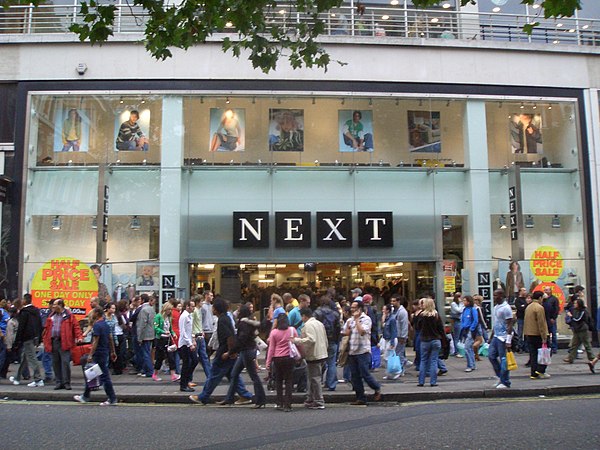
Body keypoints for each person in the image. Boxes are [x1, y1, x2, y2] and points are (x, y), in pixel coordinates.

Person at [190, 298, 253, 405]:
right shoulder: (225, 318)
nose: (212, 309)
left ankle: (203, 397)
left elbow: (229, 337)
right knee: (233, 375)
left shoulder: (223, 320)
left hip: (224, 353)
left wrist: (229, 352)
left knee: (214, 375)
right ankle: (245, 395)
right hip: (228, 352)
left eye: (213, 307)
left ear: (216, 309)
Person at [222, 304, 266, 408]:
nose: (237, 312)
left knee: (254, 376)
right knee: (234, 373)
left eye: (239, 311)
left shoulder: (243, 324)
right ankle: (229, 398)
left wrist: (230, 352)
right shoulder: (249, 322)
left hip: (247, 352)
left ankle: (261, 400)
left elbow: (241, 339)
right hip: (246, 351)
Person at [74, 306, 117, 405]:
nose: (91, 315)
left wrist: (90, 355)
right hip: (105, 352)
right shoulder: (105, 325)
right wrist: (113, 352)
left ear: (97, 314)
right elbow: (110, 338)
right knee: (91, 374)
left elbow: (95, 342)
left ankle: (112, 398)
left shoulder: (97, 325)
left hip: (98, 353)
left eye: (92, 313)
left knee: (103, 376)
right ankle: (85, 396)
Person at [343, 300, 382, 406]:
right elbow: (345, 333)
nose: (352, 310)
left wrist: (356, 320)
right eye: (351, 308)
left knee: (365, 373)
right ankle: (360, 398)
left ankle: (376, 387)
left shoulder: (366, 319)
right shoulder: (350, 320)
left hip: (363, 351)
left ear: (360, 309)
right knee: (354, 376)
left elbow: (362, 332)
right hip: (352, 351)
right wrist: (347, 324)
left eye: (354, 308)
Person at [42, 298, 82, 390]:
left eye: (55, 305)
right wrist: (45, 339)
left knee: (65, 363)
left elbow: (76, 327)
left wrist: (79, 337)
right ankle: (59, 382)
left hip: (65, 342)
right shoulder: (51, 315)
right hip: (54, 341)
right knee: (55, 363)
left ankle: (66, 382)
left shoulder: (69, 316)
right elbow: (47, 328)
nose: (53, 306)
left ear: (60, 306)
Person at [292, 308, 328, 410]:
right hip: (321, 353)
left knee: (315, 379)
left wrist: (297, 340)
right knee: (313, 378)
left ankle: (319, 401)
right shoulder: (319, 323)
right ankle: (311, 399)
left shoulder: (308, 325)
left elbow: (311, 339)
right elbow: (325, 339)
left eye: (301, 316)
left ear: (304, 316)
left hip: (314, 354)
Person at [10, 294, 45, 387]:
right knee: (24, 358)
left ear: (25, 300)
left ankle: (38, 379)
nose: (21, 301)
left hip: (27, 338)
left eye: (22, 299)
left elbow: (21, 327)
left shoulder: (24, 312)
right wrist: (39, 338)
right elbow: (40, 325)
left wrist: (17, 341)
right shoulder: (36, 311)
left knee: (32, 358)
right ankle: (17, 377)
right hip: (34, 338)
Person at [265, 314, 297, 412]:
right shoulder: (292, 330)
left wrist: (268, 362)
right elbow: (297, 343)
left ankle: (279, 402)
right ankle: (288, 404)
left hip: (277, 358)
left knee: (278, 381)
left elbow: (271, 348)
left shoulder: (274, 332)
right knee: (288, 381)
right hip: (289, 357)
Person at [313, 295, 341, 391]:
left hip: (320, 341)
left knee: (318, 363)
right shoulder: (335, 314)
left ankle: (318, 382)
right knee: (332, 363)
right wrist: (337, 340)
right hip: (332, 340)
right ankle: (331, 384)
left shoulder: (317, 313)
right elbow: (338, 329)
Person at [415, 298, 445, 387]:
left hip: (424, 340)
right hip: (435, 340)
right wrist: (444, 340)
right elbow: (441, 329)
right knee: (434, 361)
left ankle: (421, 381)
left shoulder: (421, 316)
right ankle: (433, 382)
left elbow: (418, 327)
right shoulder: (436, 315)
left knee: (423, 361)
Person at [488, 289, 514, 389]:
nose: (494, 297)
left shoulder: (506, 308)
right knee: (491, 356)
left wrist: (508, 340)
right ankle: (500, 377)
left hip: (503, 337)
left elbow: (510, 324)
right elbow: (496, 323)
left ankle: (505, 381)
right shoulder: (495, 307)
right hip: (496, 336)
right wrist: (491, 336)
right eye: (493, 295)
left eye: (496, 295)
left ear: (501, 296)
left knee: (504, 359)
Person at [524, 291, 550, 379]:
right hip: (538, 334)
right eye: (542, 298)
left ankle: (533, 373)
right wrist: (544, 337)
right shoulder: (539, 308)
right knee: (545, 352)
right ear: (540, 298)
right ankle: (540, 370)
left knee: (533, 354)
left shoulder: (528, 307)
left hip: (529, 333)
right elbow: (541, 323)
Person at [563, 298, 594, 365]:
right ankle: (570, 358)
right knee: (574, 344)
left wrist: (571, 316)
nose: (574, 304)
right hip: (577, 329)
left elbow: (577, 319)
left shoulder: (583, 311)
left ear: (579, 304)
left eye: (576, 303)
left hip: (582, 329)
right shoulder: (575, 310)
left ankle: (592, 358)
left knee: (586, 344)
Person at [153, 302, 178, 382]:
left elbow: (170, 328)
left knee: (171, 356)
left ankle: (173, 374)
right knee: (160, 357)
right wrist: (163, 332)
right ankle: (155, 373)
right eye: (169, 309)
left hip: (168, 339)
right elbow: (156, 328)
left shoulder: (169, 317)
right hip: (161, 339)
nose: (170, 311)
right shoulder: (158, 316)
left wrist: (173, 334)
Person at [178, 300, 198, 392]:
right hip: (184, 344)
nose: (194, 308)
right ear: (187, 306)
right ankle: (183, 384)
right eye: (192, 306)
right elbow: (183, 332)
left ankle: (186, 381)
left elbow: (190, 330)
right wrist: (190, 344)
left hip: (189, 343)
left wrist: (193, 340)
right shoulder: (184, 316)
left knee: (194, 361)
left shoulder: (189, 316)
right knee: (187, 364)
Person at [191, 294, 211, 380]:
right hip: (196, 336)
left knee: (204, 357)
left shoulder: (199, 310)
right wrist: (192, 337)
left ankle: (209, 376)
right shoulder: (195, 311)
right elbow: (191, 324)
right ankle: (189, 378)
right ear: (198, 302)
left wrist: (201, 330)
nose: (202, 303)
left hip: (200, 335)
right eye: (201, 301)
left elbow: (199, 323)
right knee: (194, 359)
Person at [137, 294, 156, 378]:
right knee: (147, 351)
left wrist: (139, 337)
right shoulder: (151, 309)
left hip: (145, 334)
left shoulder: (143, 310)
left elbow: (141, 324)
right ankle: (145, 370)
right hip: (151, 333)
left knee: (145, 353)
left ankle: (150, 371)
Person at [390, 295, 410, 370]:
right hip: (394, 334)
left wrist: (403, 336)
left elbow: (404, 325)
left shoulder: (402, 312)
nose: (392, 303)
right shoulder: (393, 310)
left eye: (394, 301)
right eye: (391, 301)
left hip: (400, 335)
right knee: (399, 352)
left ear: (398, 302)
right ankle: (404, 363)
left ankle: (401, 368)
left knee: (399, 353)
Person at [460, 295, 478, 372]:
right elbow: (463, 320)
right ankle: (472, 364)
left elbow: (475, 320)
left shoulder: (472, 310)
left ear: (468, 301)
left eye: (465, 300)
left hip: (470, 330)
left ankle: (470, 365)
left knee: (467, 347)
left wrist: (471, 328)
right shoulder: (464, 310)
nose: (463, 302)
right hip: (465, 330)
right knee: (469, 348)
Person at [381, 303, 399, 380]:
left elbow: (393, 331)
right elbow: (383, 327)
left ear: (388, 310)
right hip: (386, 339)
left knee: (388, 357)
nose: (382, 310)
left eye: (384, 309)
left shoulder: (392, 319)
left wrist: (392, 343)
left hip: (391, 339)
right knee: (386, 357)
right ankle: (389, 373)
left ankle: (395, 371)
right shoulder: (387, 318)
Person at [1, 306, 18, 379]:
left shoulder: (11, 322)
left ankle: (3, 373)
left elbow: (10, 334)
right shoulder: (16, 321)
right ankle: (3, 373)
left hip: (10, 341)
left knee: (4, 358)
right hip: (15, 341)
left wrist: (9, 345)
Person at [542, 286, 559, 354]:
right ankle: (548, 346)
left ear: (550, 291)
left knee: (553, 333)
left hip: (551, 319)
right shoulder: (543, 299)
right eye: (545, 290)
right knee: (546, 333)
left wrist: (554, 318)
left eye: (547, 290)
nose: (546, 291)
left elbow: (556, 309)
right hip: (545, 319)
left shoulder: (554, 299)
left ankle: (554, 348)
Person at [449, 292, 464, 357]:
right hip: (457, 321)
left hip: (461, 321)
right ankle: (456, 351)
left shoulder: (460, 304)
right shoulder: (453, 304)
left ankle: (460, 350)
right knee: (456, 337)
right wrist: (461, 304)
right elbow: (459, 310)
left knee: (461, 336)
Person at [514, 288, 529, 353]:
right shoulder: (517, 300)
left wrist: (524, 306)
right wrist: (525, 305)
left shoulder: (526, 299)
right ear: (520, 292)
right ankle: (520, 347)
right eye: (524, 290)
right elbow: (520, 308)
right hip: (520, 318)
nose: (525, 292)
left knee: (527, 333)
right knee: (520, 333)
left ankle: (526, 347)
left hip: (527, 318)